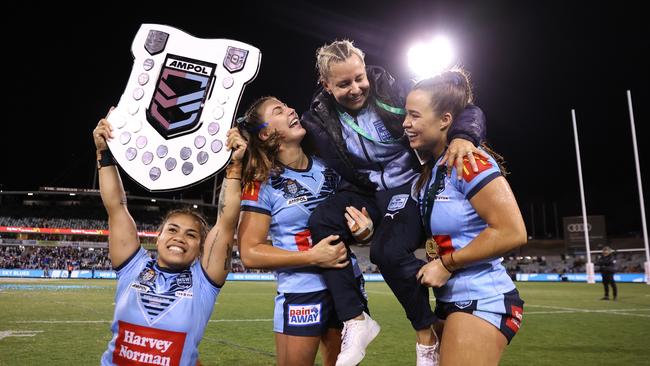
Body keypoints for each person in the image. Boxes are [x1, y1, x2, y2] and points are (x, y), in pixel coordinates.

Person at [301, 39, 488, 365]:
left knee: (385, 251)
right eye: (343, 84)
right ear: (326, 84)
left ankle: (426, 333)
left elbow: (466, 109)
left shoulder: (393, 92)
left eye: (359, 77)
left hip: (405, 186)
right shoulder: (316, 119)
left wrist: (463, 136)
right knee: (320, 222)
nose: (356, 88)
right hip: (362, 190)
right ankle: (356, 320)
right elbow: (280, 141)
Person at [93, 114, 246, 366]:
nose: (180, 238)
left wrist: (235, 166)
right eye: (172, 230)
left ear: (201, 247)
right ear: (158, 236)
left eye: (191, 234)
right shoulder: (133, 267)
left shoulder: (203, 283)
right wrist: (104, 152)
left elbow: (227, 222)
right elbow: (116, 206)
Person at [237, 96, 375, 366]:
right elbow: (250, 253)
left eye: (288, 105)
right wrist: (312, 257)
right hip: (302, 292)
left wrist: (365, 233)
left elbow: (356, 225)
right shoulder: (260, 184)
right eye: (279, 110)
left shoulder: (331, 169)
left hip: (346, 286)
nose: (291, 109)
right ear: (265, 133)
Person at [407, 69, 527, 365]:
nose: (405, 123)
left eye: (414, 115)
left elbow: (512, 231)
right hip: (449, 301)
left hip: (482, 297)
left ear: (445, 120)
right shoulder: (433, 169)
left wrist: (447, 263)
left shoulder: (468, 161)